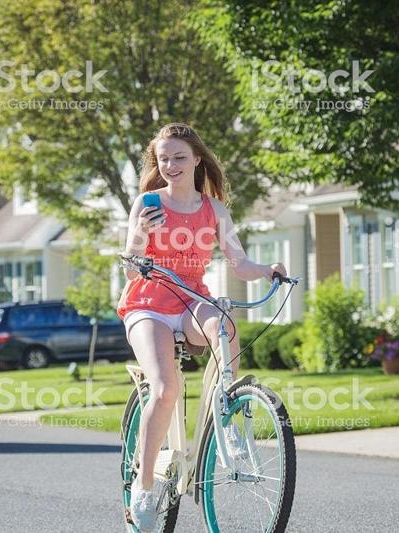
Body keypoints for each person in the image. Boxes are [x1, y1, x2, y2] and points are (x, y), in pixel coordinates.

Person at [117, 123, 286, 531]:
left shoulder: (215, 210)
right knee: (165, 388)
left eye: (179, 157)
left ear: (196, 159)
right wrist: (141, 235)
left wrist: (267, 270)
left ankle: (227, 421)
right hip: (149, 302)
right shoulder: (148, 202)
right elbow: (129, 264)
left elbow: (239, 264)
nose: (171, 165)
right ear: (157, 164)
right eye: (163, 159)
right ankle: (143, 486)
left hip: (192, 298)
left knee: (224, 324)